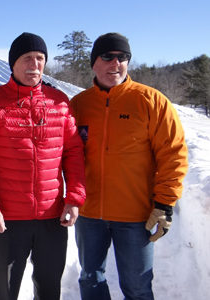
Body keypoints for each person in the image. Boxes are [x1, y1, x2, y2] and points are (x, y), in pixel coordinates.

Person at [0, 32, 86, 300]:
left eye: (40, 58)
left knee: (49, 288)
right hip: (7, 220)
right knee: (4, 291)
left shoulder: (60, 102)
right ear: (13, 63)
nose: (34, 64)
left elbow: (74, 154)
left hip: (52, 217)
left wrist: (74, 198)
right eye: (27, 58)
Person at [70, 32, 188, 300]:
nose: (116, 63)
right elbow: (65, 154)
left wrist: (164, 204)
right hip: (89, 214)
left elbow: (173, 155)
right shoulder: (79, 105)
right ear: (94, 63)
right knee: (90, 279)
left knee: (137, 286)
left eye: (123, 58)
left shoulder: (152, 101)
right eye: (108, 57)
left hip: (135, 216)